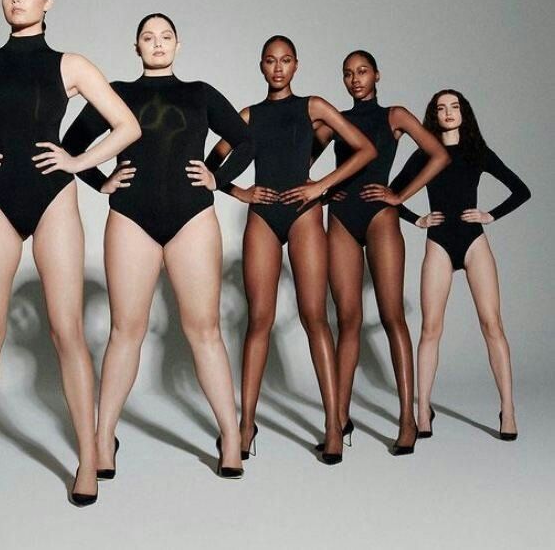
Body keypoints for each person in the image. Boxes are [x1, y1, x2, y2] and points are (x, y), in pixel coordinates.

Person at [0, 0, 140, 506]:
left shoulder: (71, 65)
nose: (15, 0)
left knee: (68, 333)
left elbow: (128, 126)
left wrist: (79, 162)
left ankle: (88, 458)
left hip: (53, 201)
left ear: (48, 2)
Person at [62, 13, 253, 479]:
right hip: (131, 217)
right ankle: (103, 439)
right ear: (137, 47)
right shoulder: (118, 93)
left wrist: (218, 177)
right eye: (148, 37)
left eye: (166, 36)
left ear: (178, 44)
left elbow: (247, 141)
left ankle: (231, 436)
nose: (158, 43)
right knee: (125, 331)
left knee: (205, 330)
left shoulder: (200, 93)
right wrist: (100, 180)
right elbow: (72, 144)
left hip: (193, 218)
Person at [206, 35, 376, 464]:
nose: (278, 68)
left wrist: (321, 186)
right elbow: (210, 164)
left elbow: (365, 149)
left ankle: (334, 427)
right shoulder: (249, 115)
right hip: (264, 215)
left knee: (314, 316)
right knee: (258, 320)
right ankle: (246, 427)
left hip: (304, 213)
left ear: (296, 65)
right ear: (261, 66)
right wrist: (239, 191)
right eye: (270, 61)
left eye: (285, 61)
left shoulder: (313, 106)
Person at [316, 50, 449, 454]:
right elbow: (295, 162)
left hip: (379, 216)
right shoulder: (335, 120)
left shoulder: (395, 116)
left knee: (392, 316)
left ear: (377, 75)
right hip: (341, 217)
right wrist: (324, 189)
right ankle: (338, 420)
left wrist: (399, 196)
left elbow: (439, 155)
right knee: (348, 320)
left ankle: (407, 420)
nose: (355, 79)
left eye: (362, 71)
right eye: (348, 74)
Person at [390, 89, 530, 441]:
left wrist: (491, 214)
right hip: (438, 243)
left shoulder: (476, 151)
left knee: (492, 324)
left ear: (463, 112)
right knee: (430, 329)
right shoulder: (424, 154)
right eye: (441, 108)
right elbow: (390, 195)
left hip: (473, 242)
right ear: (434, 116)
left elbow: (521, 190)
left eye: (454, 107)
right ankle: (423, 411)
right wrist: (416, 218)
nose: (448, 113)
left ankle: (508, 410)